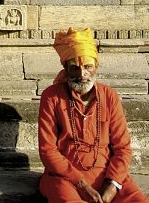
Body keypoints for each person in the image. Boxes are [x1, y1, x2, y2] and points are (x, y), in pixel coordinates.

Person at [38, 27, 148, 203]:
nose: (82, 75)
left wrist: (112, 185)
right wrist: (81, 184)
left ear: (96, 66)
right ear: (65, 68)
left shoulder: (109, 96)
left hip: (108, 175)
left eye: (88, 66)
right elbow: (47, 150)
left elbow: (123, 148)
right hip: (65, 179)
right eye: (75, 68)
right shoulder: (52, 96)